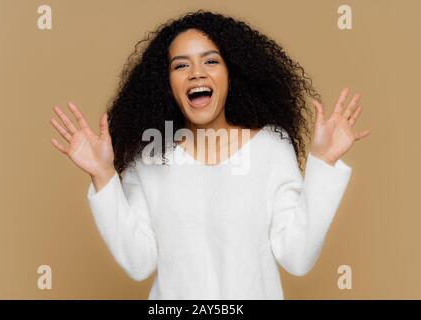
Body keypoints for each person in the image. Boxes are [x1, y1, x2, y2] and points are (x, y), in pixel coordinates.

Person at [49, 10, 370, 299]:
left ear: (232, 74)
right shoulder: (149, 158)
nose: (196, 73)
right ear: (167, 83)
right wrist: (103, 176)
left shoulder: (271, 147)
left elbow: (297, 258)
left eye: (211, 61)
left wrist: (323, 164)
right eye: (181, 65)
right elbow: (138, 263)